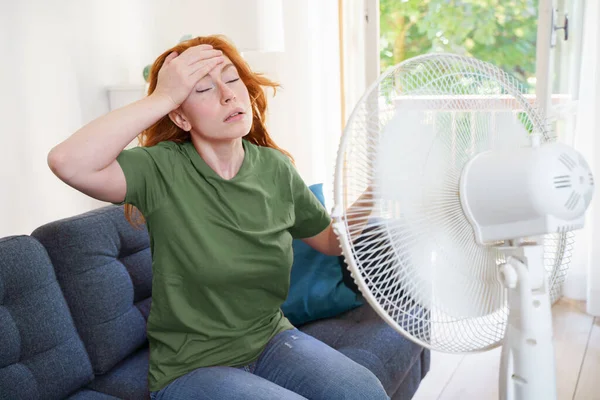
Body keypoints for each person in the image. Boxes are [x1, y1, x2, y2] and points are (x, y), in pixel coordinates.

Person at [47, 35, 386, 400]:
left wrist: (381, 185)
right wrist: (162, 97)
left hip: (270, 339)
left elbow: (332, 241)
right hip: (191, 367)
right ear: (180, 115)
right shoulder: (160, 169)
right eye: (204, 88)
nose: (228, 95)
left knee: (364, 390)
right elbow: (67, 162)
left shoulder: (275, 168)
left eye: (232, 78)